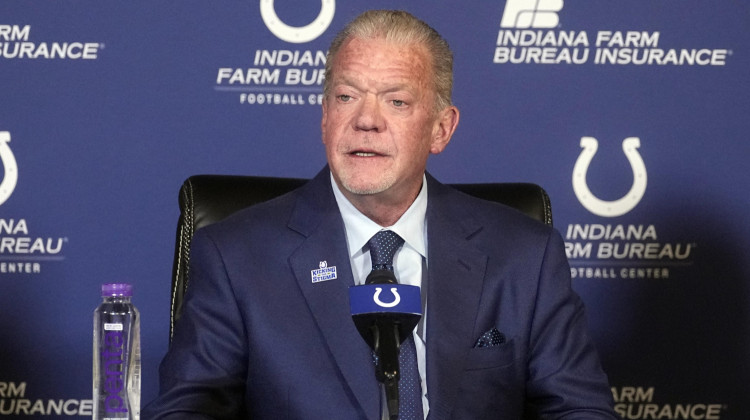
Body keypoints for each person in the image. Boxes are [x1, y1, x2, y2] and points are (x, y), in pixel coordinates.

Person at [143, 9, 617, 420]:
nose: (366, 120)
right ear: (325, 115)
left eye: (396, 101)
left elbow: (578, 409)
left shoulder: (524, 256)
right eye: (347, 97)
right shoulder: (237, 256)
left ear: (441, 128)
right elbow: (187, 408)